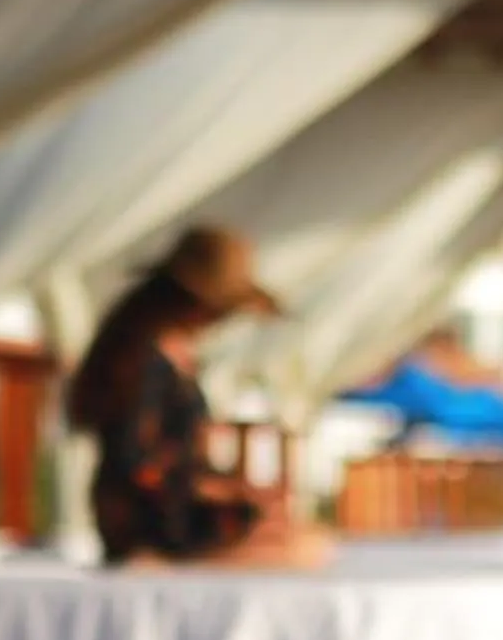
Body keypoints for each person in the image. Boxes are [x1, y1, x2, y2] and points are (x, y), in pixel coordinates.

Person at [65, 224, 330, 567]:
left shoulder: (164, 354)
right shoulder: (141, 359)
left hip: (170, 514)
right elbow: (134, 461)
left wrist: (227, 489)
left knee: (302, 542)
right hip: (147, 525)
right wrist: (213, 488)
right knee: (299, 550)